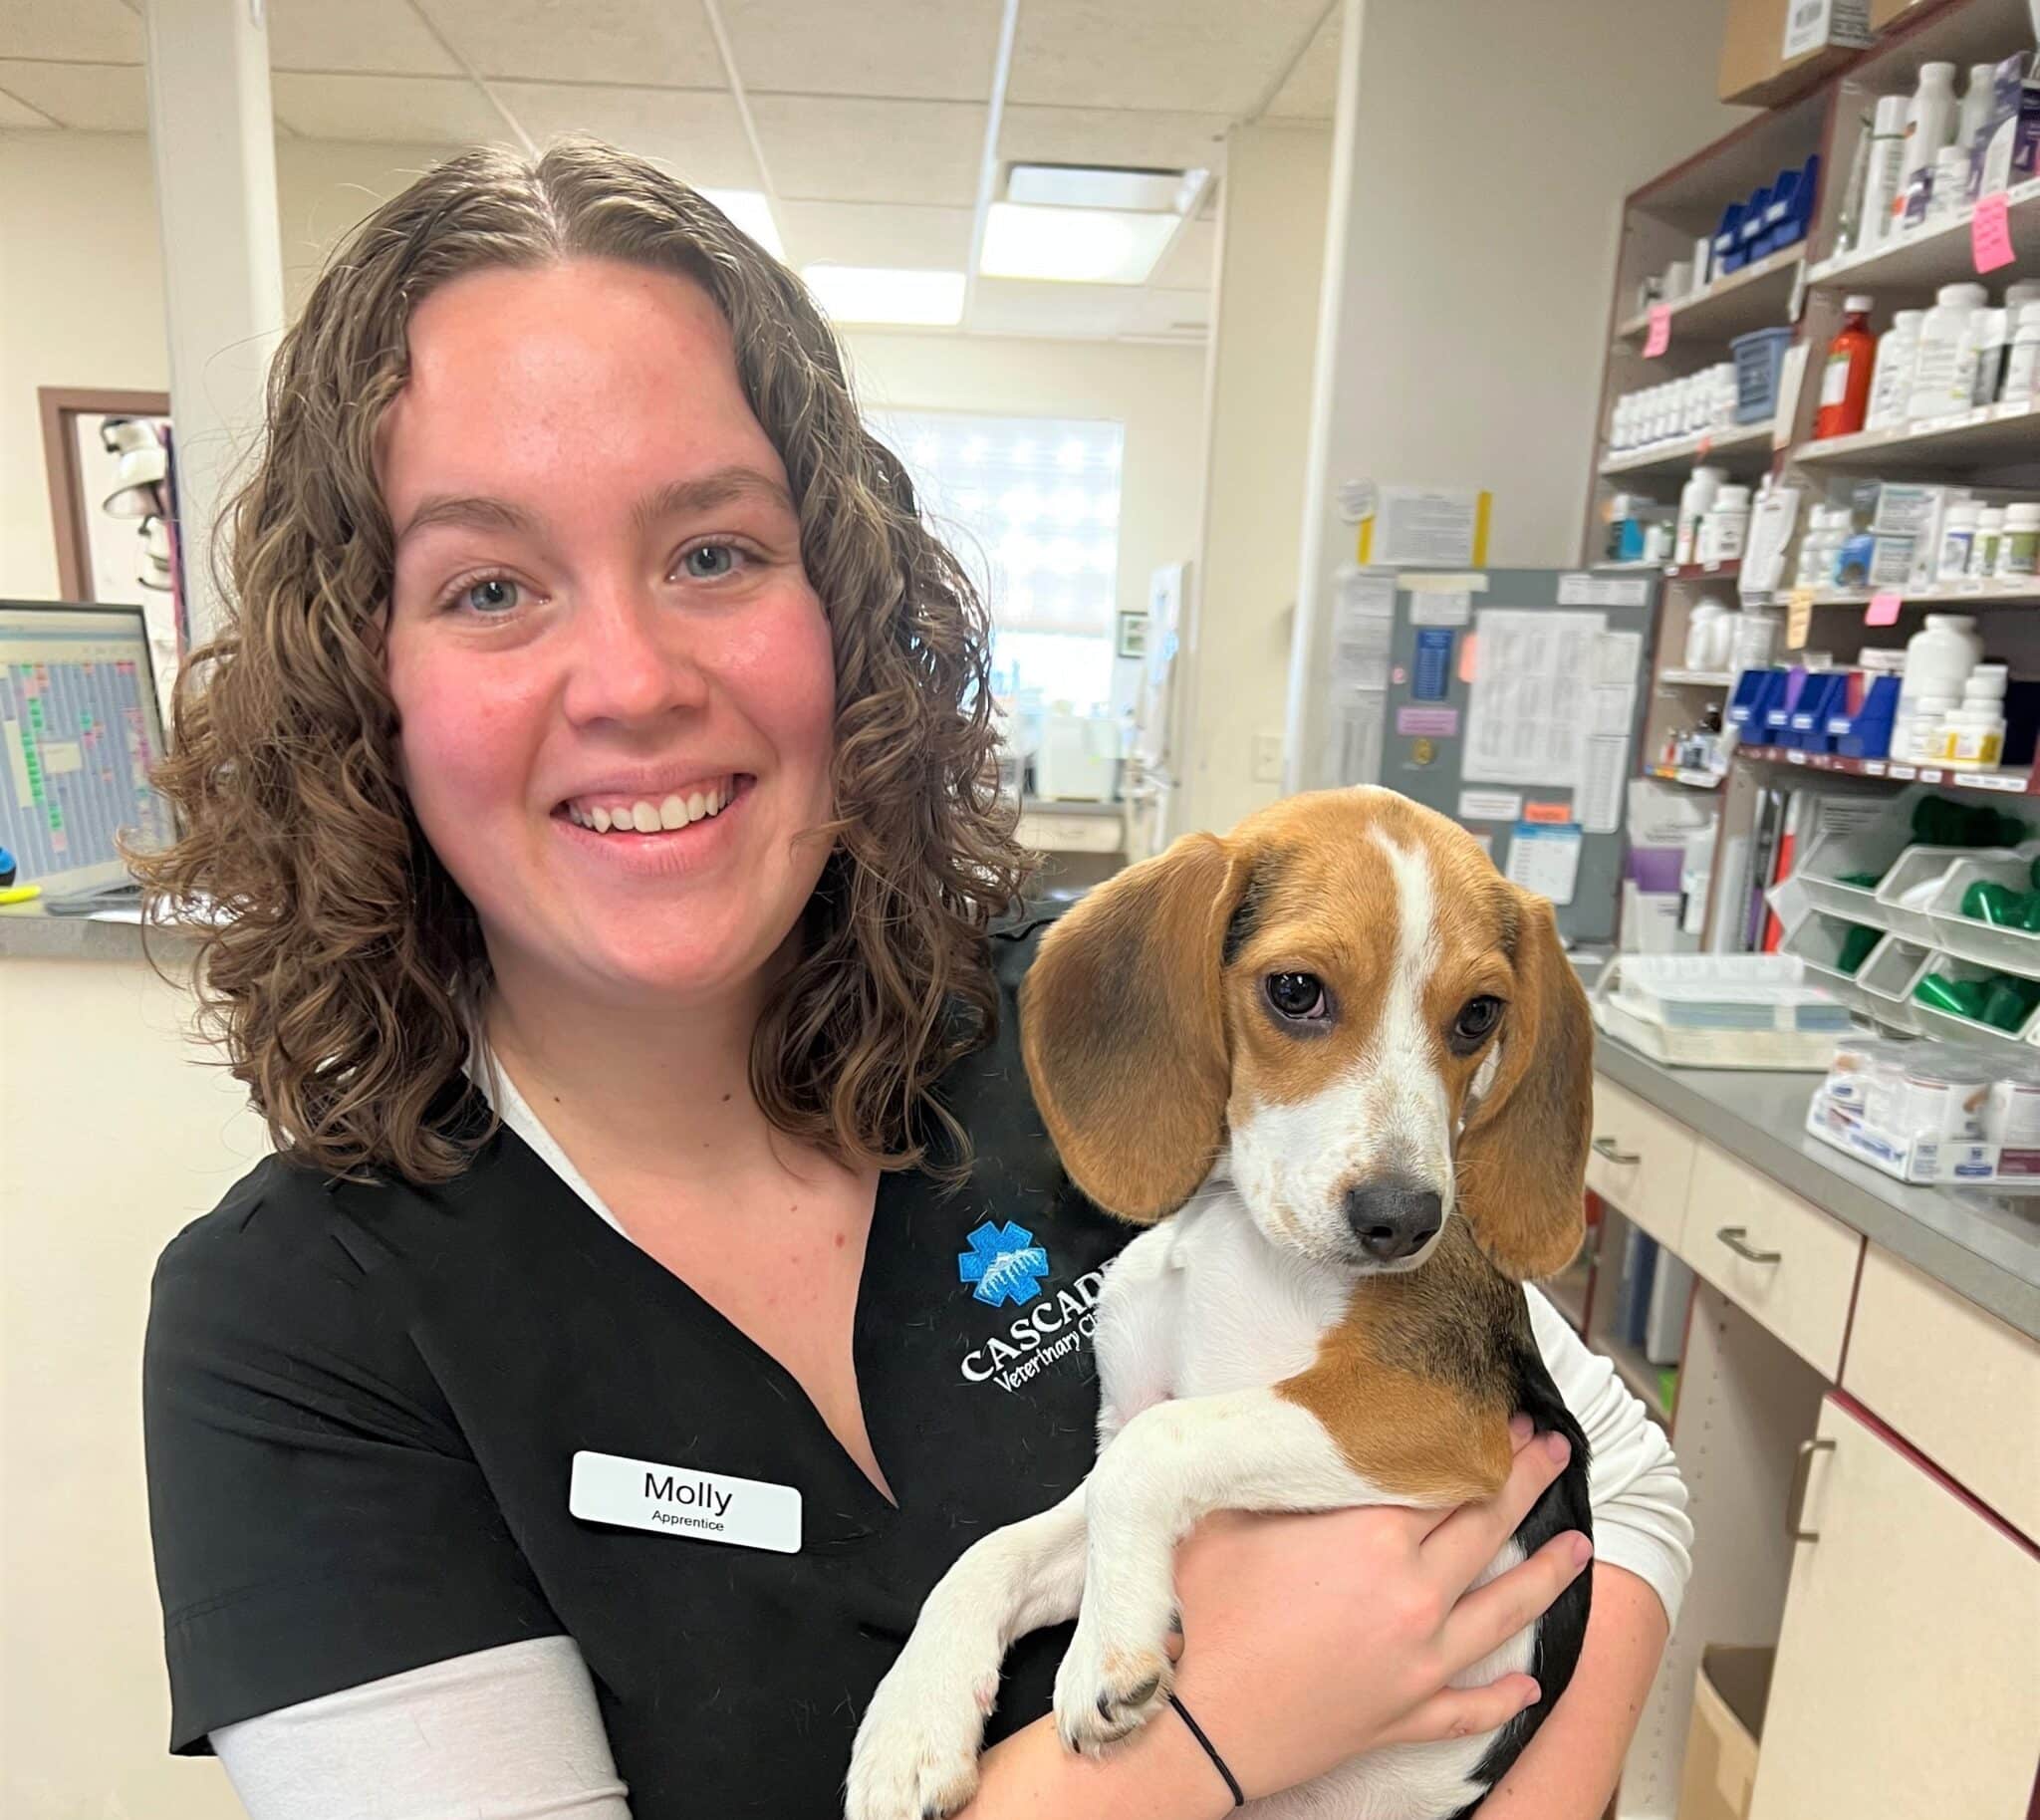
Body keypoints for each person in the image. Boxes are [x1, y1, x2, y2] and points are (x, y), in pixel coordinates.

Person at [137, 137, 1690, 1820]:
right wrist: (1209, 1737)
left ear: (847, 607)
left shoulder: (1100, 1031)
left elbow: (1610, 1472)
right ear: (356, 674)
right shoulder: (296, 1334)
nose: (632, 683)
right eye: (491, 586)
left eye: (714, 552)